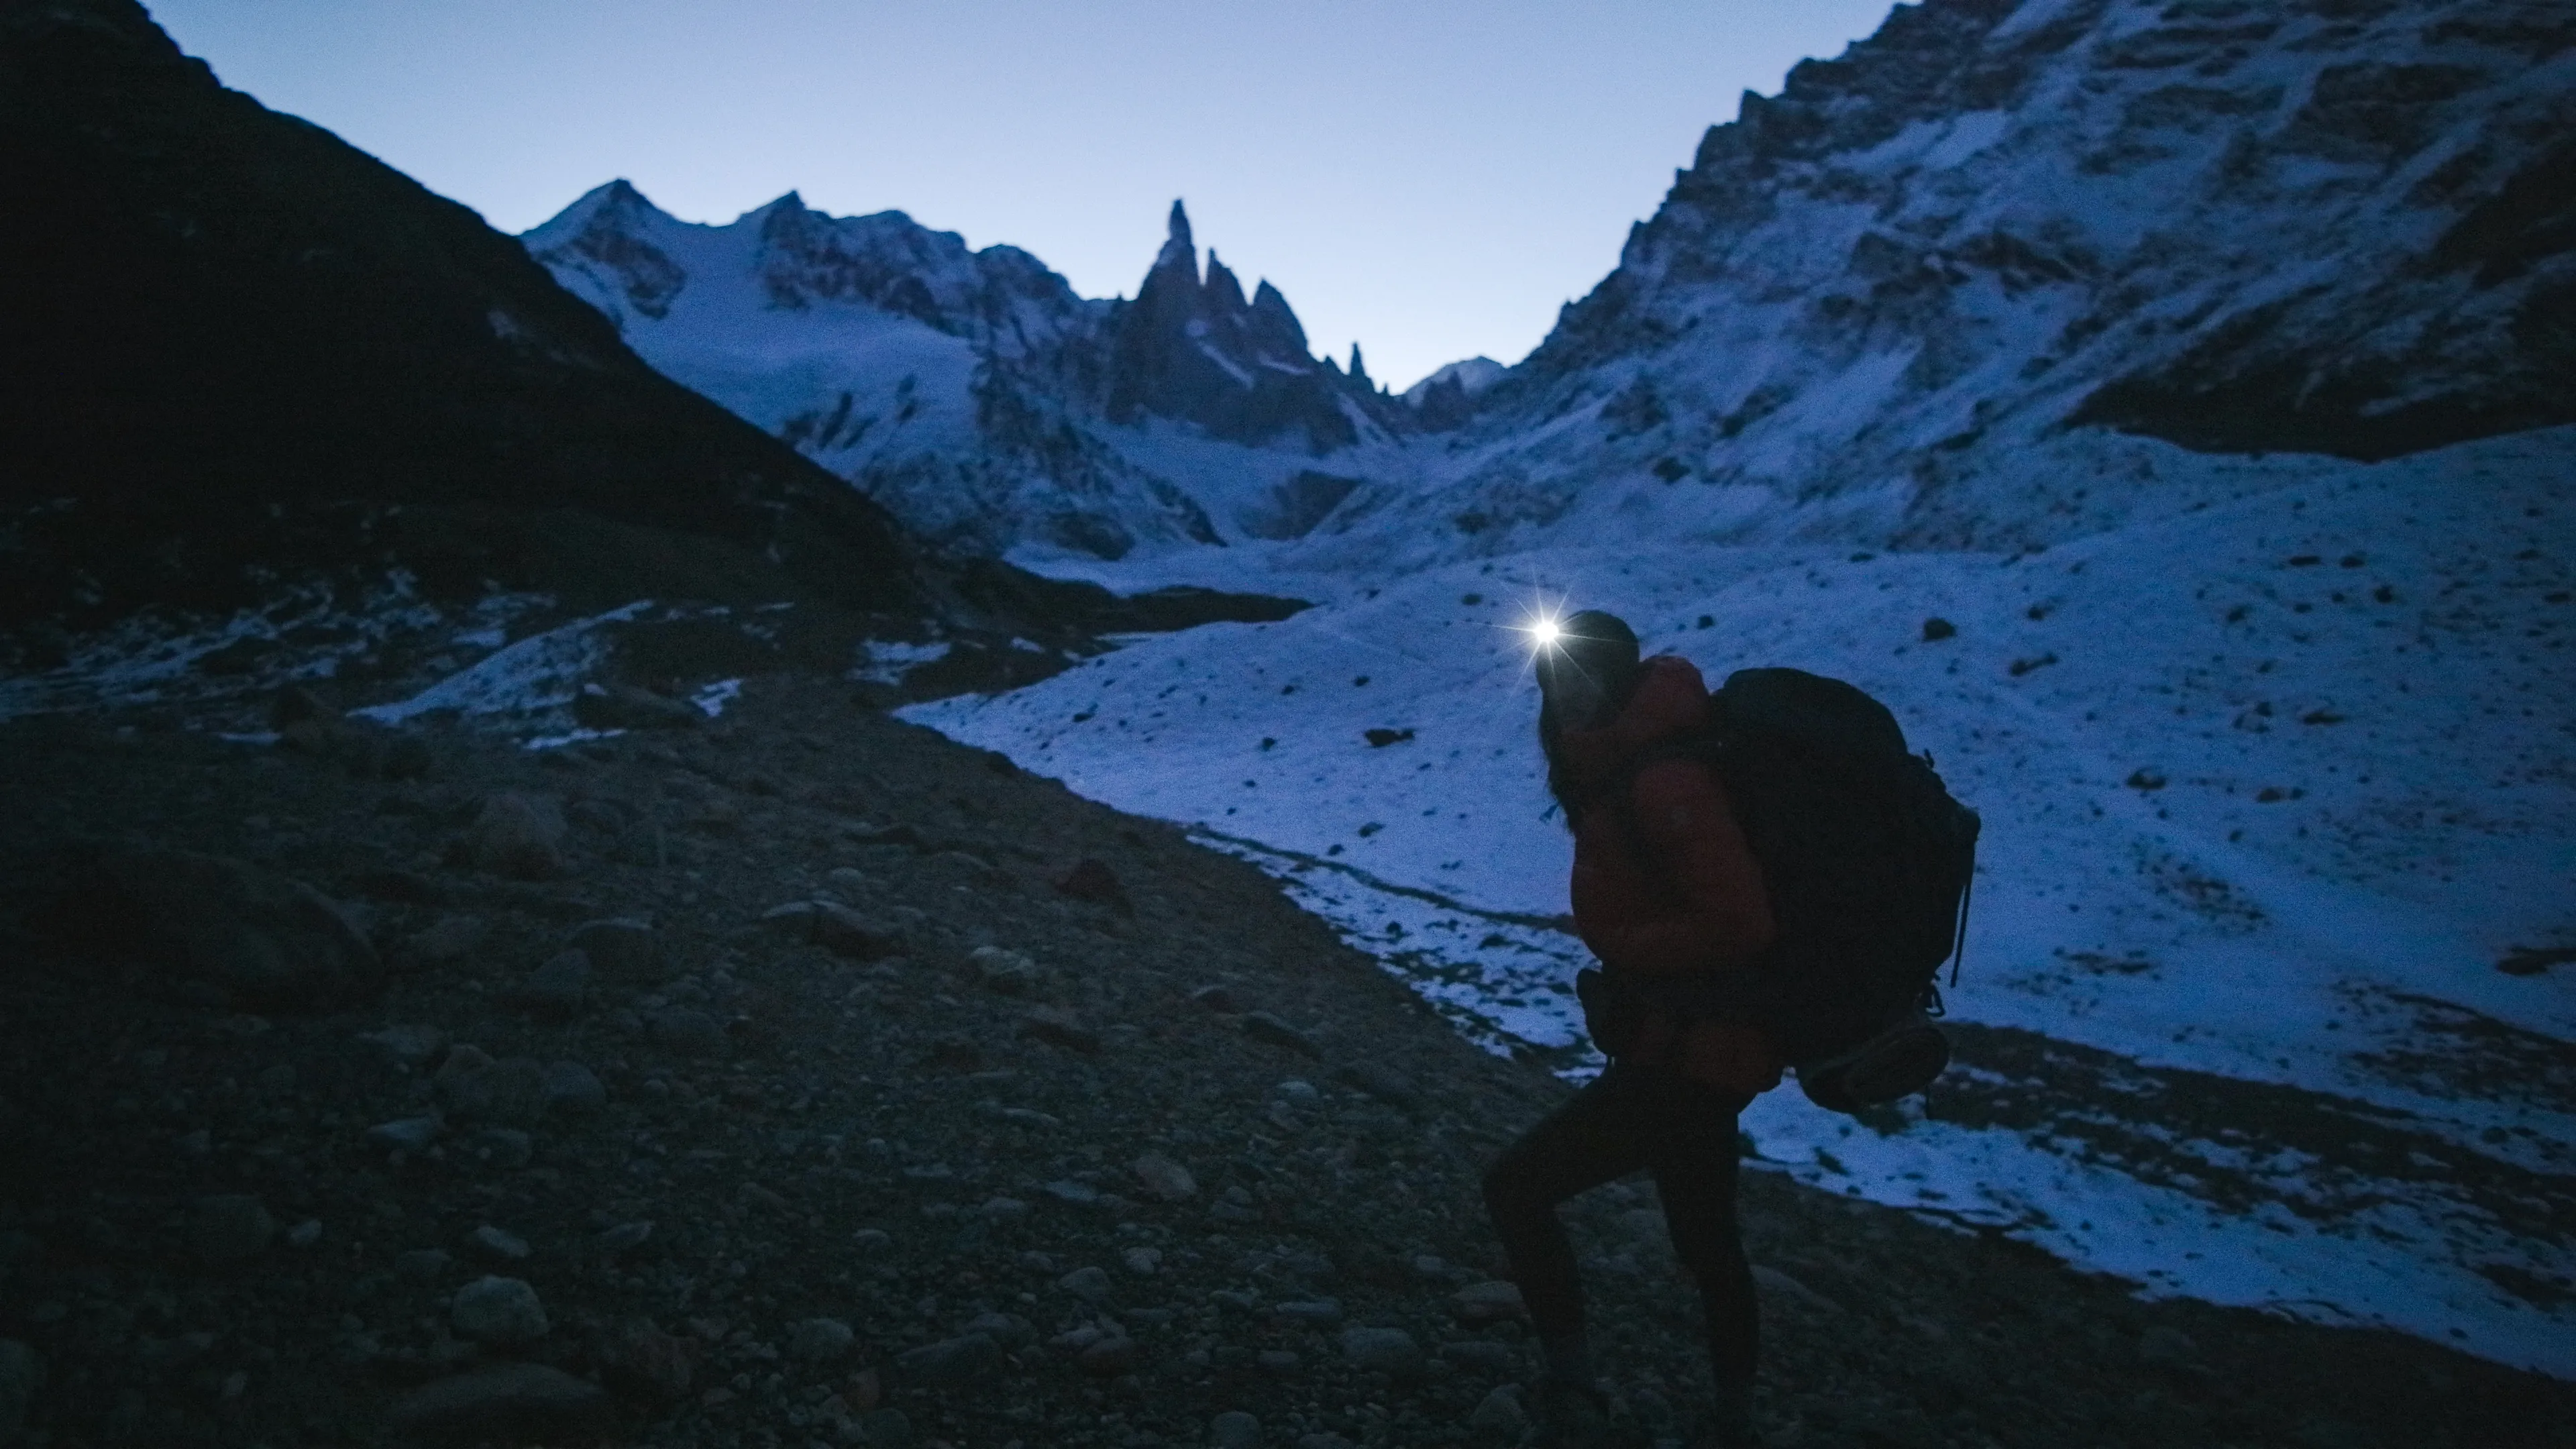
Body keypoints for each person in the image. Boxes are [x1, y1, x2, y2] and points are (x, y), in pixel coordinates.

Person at [1482, 610, 1778, 1449]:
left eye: (1581, 674)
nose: (1565, 692)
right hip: (1700, 1051)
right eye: (1553, 677)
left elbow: (1740, 922)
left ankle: (1574, 1389)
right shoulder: (1621, 770)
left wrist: (1622, 949)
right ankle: (1734, 1417)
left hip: (1688, 1053)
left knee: (1517, 1189)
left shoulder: (1663, 783)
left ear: (1618, 674)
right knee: (1706, 1240)